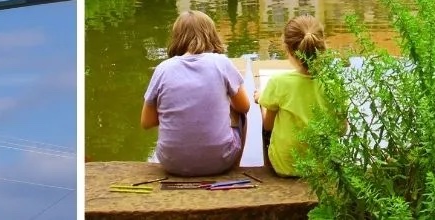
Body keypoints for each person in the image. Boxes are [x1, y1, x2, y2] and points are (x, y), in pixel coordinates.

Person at [142, 11, 250, 177]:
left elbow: (147, 121)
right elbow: (245, 106)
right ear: (211, 34)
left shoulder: (162, 69)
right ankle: (233, 169)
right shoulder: (221, 62)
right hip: (220, 162)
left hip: (171, 162)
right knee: (239, 111)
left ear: (177, 37)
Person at [257, 15, 338, 177]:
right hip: (322, 168)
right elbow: (342, 129)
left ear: (287, 49)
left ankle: (269, 170)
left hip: (285, 167)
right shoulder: (334, 85)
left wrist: (262, 102)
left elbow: (268, 126)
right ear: (322, 47)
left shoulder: (278, 82)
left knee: (264, 121)